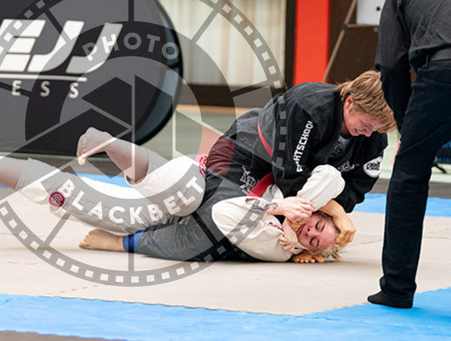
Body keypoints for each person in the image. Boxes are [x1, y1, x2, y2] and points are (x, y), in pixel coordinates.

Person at [0, 129, 344, 263]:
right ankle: (110, 143)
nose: (308, 230)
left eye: (312, 240)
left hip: (177, 229)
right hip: (195, 186)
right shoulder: (296, 196)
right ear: (322, 214)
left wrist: (278, 222)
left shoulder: (276, 248)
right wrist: (296, 204)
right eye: (318, 225)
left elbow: (228, 215)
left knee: (70, 196)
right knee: (183, 190)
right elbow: (331, 178)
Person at [113, 70, 395, 263]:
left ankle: (290, 233)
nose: (368, 134)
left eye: (376, 129)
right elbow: (291, 176)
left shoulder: (374, 139)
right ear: (349, 102)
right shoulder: (307, 106)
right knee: (211, 231)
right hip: (245, 156)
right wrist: (334, 212)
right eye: (366, 125)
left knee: (273, 238)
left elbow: (354, 189)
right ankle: (128, 239)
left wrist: (308, 237)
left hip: (287, 188)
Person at [369, 0, 451, 309]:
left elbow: (391, 65)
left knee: (408, 177)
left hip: (441, 72)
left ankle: (397, 289)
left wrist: (407, 126)